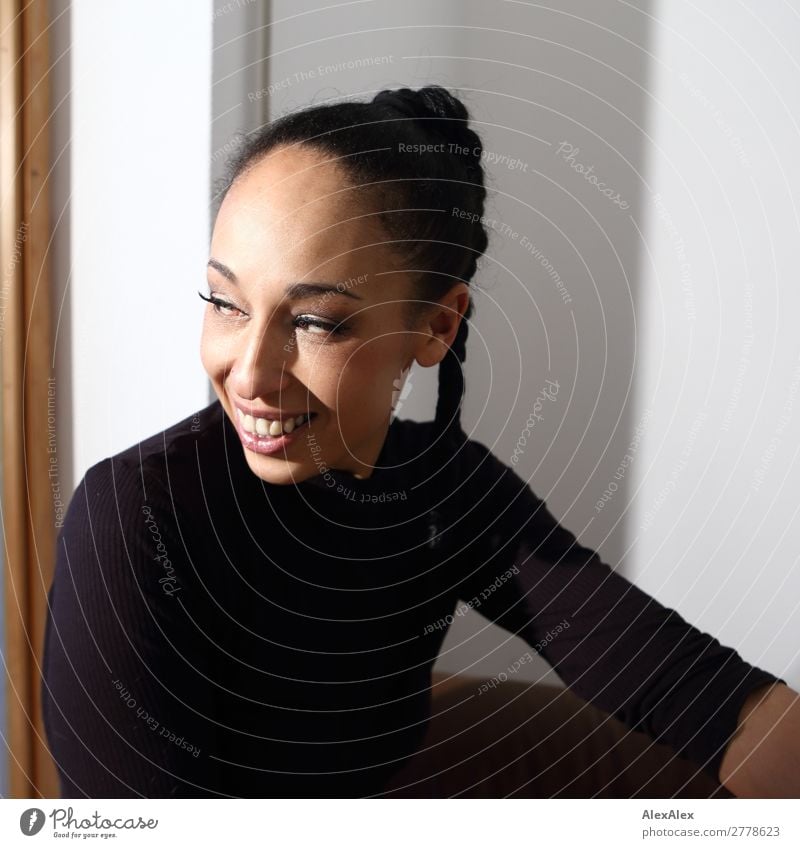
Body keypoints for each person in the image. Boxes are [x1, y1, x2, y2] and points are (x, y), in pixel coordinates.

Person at [41, 85, 797, 799]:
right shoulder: (135, 519)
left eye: (314, 321)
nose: (249, 372)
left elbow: (696, 692)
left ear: (436, 325)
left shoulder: (443, 489)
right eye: (225, 303)